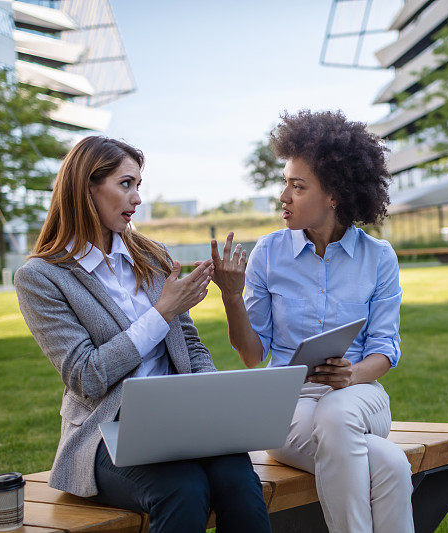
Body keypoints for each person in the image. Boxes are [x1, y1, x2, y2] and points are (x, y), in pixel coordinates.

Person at [14, 136, 271, 533]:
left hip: (183, 420)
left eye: (138, 186)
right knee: (183, 488)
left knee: (239, 480)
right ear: (86, 188)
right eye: (125, 184)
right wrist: (162, 311)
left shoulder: (152, 257)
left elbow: (190, 347)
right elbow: (86, 376)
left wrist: (213, 403)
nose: (136, 198)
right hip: (107, 431)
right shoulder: (42, 278)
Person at [211, 110, 415, 533]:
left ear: (335, 194)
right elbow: (252, 356)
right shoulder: (268, 253)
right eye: (284, 182)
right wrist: (231, 295)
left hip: (361, 396)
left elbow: (384, 351)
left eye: (297, 186)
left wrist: (350, 374)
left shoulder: (378, 258)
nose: (283, 196)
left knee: (338, 415)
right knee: (392, 462)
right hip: (289, 407)